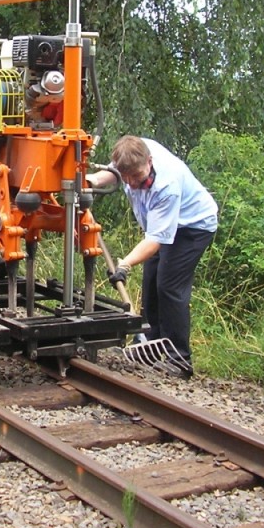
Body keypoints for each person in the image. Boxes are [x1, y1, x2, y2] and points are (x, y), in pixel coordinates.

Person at [87, 135, 217, 378]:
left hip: (193, 227)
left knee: (169, 287)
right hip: (161, 228)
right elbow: (113, 171)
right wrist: (92, 180)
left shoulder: (167, 185)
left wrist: (124, 264)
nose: (132, 184)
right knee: (151, 282)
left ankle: (179, 360)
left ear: (150, 161)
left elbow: (155, 240)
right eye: (127, 179)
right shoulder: (131, 154)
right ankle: (149, 344)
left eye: (137, 177)